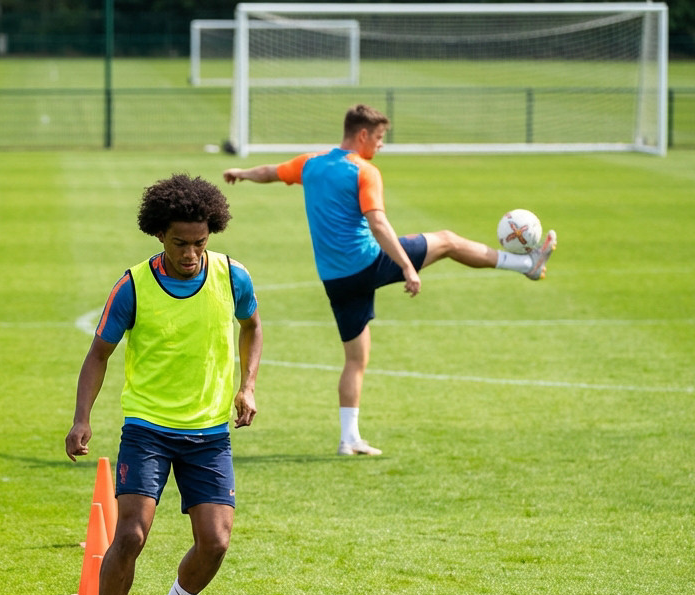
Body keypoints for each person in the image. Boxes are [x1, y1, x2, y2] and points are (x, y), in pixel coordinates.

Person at [223, 103, 555, 456]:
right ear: (363, 135)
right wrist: (407, 267)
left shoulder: (312, 163)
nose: (381, 146)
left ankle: (349, 438)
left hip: (336, 280)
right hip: (368, 263)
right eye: (379, 138)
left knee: (356, 358)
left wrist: (241, 172)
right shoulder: (363, 171)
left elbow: (270, 172)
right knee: (448, 241)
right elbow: (378, 224)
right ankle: (526, 265)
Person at [64, 174, 262, 595]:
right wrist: (82, 417)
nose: (192, 253)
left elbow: (252, 326)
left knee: (215, 542)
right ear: (159, 235)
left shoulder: (232, 276)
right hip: (148, 428)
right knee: (130, 533)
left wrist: (249, 385)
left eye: (201, 242)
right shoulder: (132, 287)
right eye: (181, 243)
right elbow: (98, 354)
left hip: (209, 433)